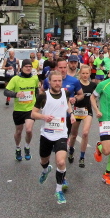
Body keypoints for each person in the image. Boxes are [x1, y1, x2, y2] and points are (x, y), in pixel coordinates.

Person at [31, 71, 73, 204]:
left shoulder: (65, 93)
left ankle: (58, 190)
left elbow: (67, 103)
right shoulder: (43, 96)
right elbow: (33, 114)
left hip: (61, 133)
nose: (57, 83)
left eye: (59, 81)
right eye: (54, 81)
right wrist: (44, 117)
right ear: (49, 82)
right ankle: (46, 169)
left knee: (61, 162)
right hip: (46, 134)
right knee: (44, 160)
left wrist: (71, 113)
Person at [3, 58, 40, 162]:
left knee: (28, 130)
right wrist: (16, 94)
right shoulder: (15, 79)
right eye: (26, 67)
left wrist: (38, 103)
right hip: (18, 110)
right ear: (22, 68)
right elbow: (6, 92)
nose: (28, 68)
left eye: (30, 67)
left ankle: (27, 147)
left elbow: (36, 91)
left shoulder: (35, 78)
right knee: (18, 131)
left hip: (30, 109)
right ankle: (18, 148)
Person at [67, 65, 95, 168]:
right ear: (80, 73)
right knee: (74, 135)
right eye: (83, 73)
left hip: (88, 111)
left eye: (87, 73)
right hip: (77, 111)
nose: (85, 75)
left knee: (85, 133)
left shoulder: (93, 85)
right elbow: (70, 96)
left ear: (90, 74)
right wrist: (73, 98)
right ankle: (71, 150)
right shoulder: (76, 84)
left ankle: (82, 157)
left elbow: (99, 95)